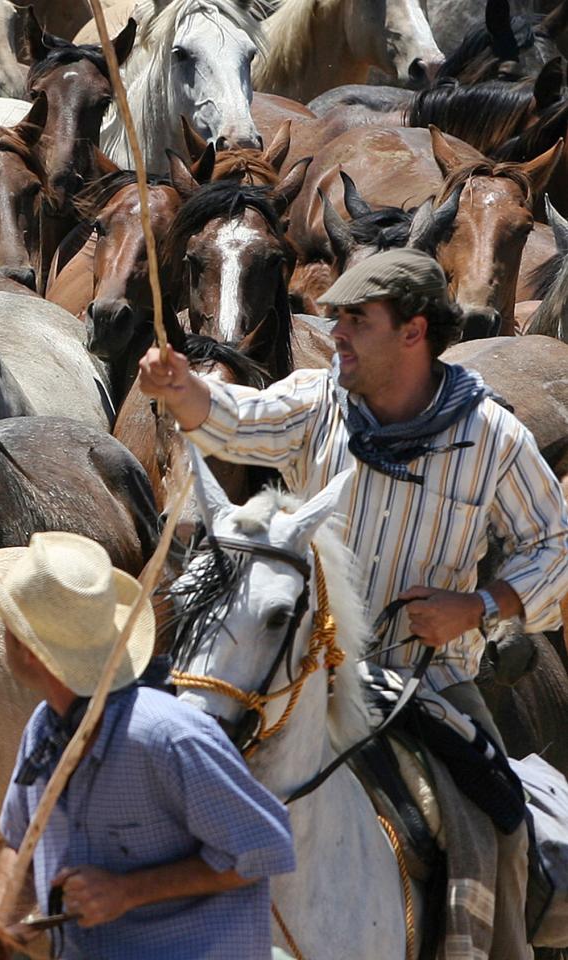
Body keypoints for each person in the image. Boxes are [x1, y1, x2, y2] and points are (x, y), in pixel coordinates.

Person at [137, 246, 568, 958]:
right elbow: (238, 417)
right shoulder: (319, 403)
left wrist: (478, 606)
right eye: (333, 318)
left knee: (498, 818)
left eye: (355, 320)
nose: (333, 333)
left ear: (414, 331)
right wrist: (180, 387)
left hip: (428, 684)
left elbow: (556, 546)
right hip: (301, 670)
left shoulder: (492, 439)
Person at [0, 532, 295, 960]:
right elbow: (19, 846)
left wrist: (126, 891)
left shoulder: (170, 738)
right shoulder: (43, 728)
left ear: (25, 650)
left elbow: (266, 847)